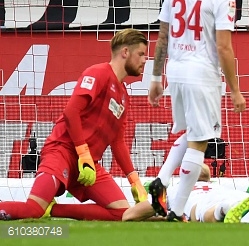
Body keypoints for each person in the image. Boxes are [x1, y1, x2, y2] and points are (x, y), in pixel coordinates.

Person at [0, 29, 149, 221]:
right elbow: (71, 112)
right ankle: (44, 209)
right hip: (62, 152)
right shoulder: (99, 73)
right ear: (125, 52)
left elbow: (118, 142)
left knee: (123, 214)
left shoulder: (123, 96)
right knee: (33, 210)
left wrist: (134, 180)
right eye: (141, 54)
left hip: (88, 166)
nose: (145, 60)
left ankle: (54, 211)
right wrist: (83, 153)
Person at [148, 0, 247, 222]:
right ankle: (177, 210)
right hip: (202, 73)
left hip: (175, 71)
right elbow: (224, 48)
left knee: (191, 133)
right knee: (201, 140)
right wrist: (236, 90)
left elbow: (163, 36)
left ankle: (162, 179)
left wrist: (156, 78)